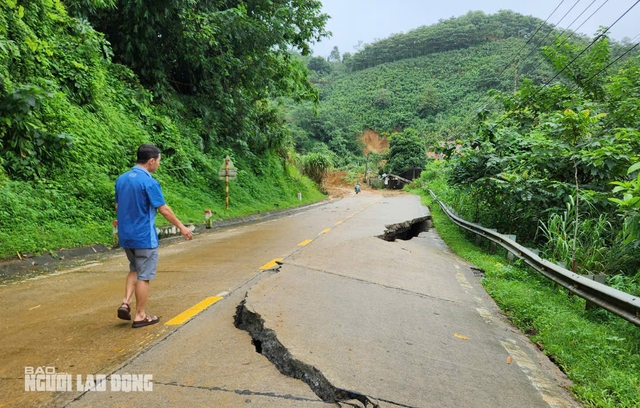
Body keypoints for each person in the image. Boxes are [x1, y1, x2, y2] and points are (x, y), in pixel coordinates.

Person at [115, 144, 193, 328]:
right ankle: (140, 315)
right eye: (158, 161)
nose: (158, 164)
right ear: (151, 160)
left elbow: (118, 207)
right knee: (144, 275)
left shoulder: (121, 179)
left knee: (134, 268)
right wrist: (182, 227)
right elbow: (164, 209)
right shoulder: (149, 182)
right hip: (144, 237)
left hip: (126, 236)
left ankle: (125, 302)